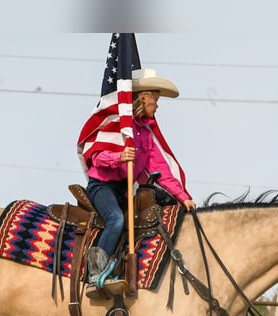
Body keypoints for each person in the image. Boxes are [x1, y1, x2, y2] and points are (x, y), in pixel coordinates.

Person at [79, 69, 196, 291]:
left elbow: (162, 171)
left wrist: (183, 197)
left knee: (141, 224)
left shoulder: (145, 134)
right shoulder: (118, 125)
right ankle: (94, 274)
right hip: (102, 186)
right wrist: (120, 157)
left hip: (123, 191)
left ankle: (118, 270)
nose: (157, 105)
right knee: (116, 219)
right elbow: (97, 156)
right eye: (156, 99)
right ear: (143, 97)